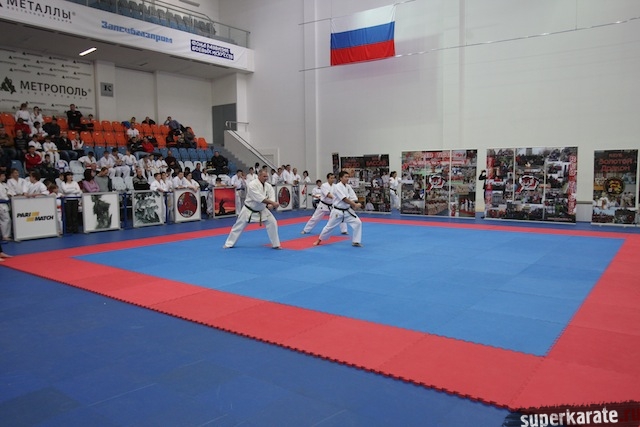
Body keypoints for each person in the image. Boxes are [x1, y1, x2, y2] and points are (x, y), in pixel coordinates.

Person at [223, 170, 281, 249]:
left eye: (267, 176)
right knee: (238, 226)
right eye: (264, 176)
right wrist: (272, 203)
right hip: (248, 209)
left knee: (272, 222)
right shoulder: (252, 185)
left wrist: (271, 203)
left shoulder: (268, 186)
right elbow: (259, 198)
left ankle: (276, 244)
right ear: (259, 176)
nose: (266, 178)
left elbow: (271, 195)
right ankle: (229, 244)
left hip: (262, 209)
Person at [314, 171, 362, 247]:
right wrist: (355, 205)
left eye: (348, 177)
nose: (347, 178)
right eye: (345, 177)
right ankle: (319, 240)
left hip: (347, 211)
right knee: (329, 227)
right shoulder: (337, 187)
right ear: (341, 178)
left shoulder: (348, 187)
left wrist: (356, 203)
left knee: (358, 223)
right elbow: (344, 199)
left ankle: (356, 241)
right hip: (337, 211)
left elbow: (353, 198)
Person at [0, 171, 11, 241]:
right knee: (6, 219)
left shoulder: (4, 184)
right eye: (3, 176)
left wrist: (9, 195)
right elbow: (2, 196)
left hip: (5, 204)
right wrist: (7, 198)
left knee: (6, 219)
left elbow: (9, 192)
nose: (4, 177)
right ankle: (5, 236)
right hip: (1, 204)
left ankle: (6, 235)